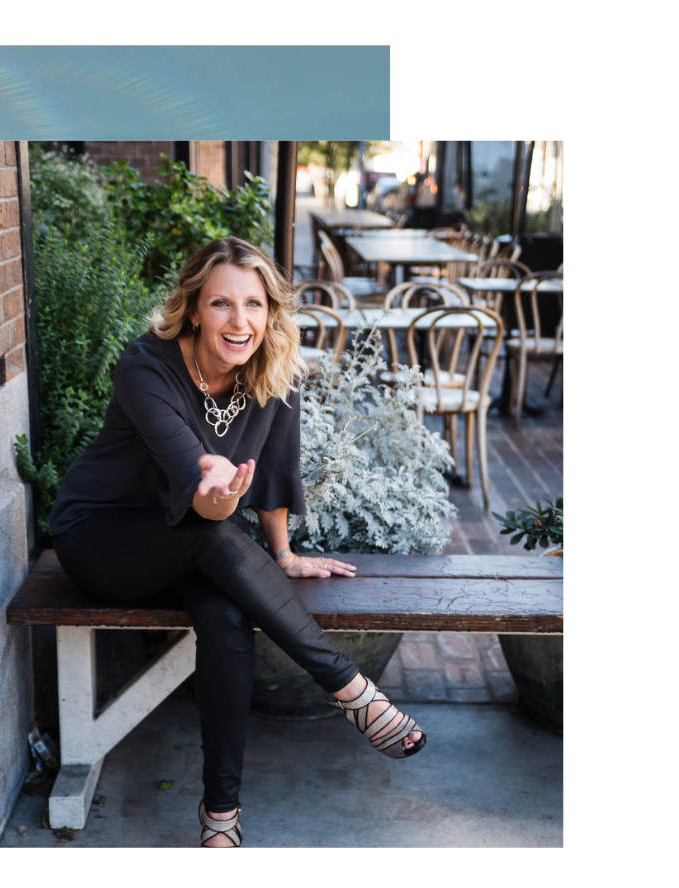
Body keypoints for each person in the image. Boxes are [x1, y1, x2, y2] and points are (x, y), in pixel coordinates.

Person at [49, 237, 425, 847]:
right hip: (101, 538)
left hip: (189, 539)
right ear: (194, 309)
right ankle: (350, 689)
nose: (240, 321)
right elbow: (200, 477)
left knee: (226, 616)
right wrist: (221, 494)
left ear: (270, 312)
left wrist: (282, 555)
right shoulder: (147, 366)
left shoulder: (275, 372)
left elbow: (274, 475)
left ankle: (220, 815)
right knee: (216, 534)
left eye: (254, 304)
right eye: (222, 304)